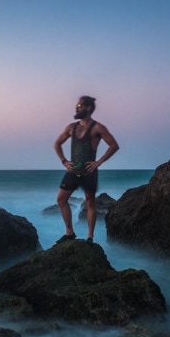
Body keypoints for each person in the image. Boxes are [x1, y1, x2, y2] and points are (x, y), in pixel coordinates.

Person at [53, 95, 119, 244]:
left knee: (90, 203)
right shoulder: (71, 127)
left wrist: (99, 162)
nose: (77, 108)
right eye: (77, 106)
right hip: (72, 171)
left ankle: (90, 237)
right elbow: (57, 144)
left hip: (89, 172)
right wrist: (64, 161)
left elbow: (114, 145)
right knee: (61, 199)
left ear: (88, 108)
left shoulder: (98, 128)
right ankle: (69, 232)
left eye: (79, 106)